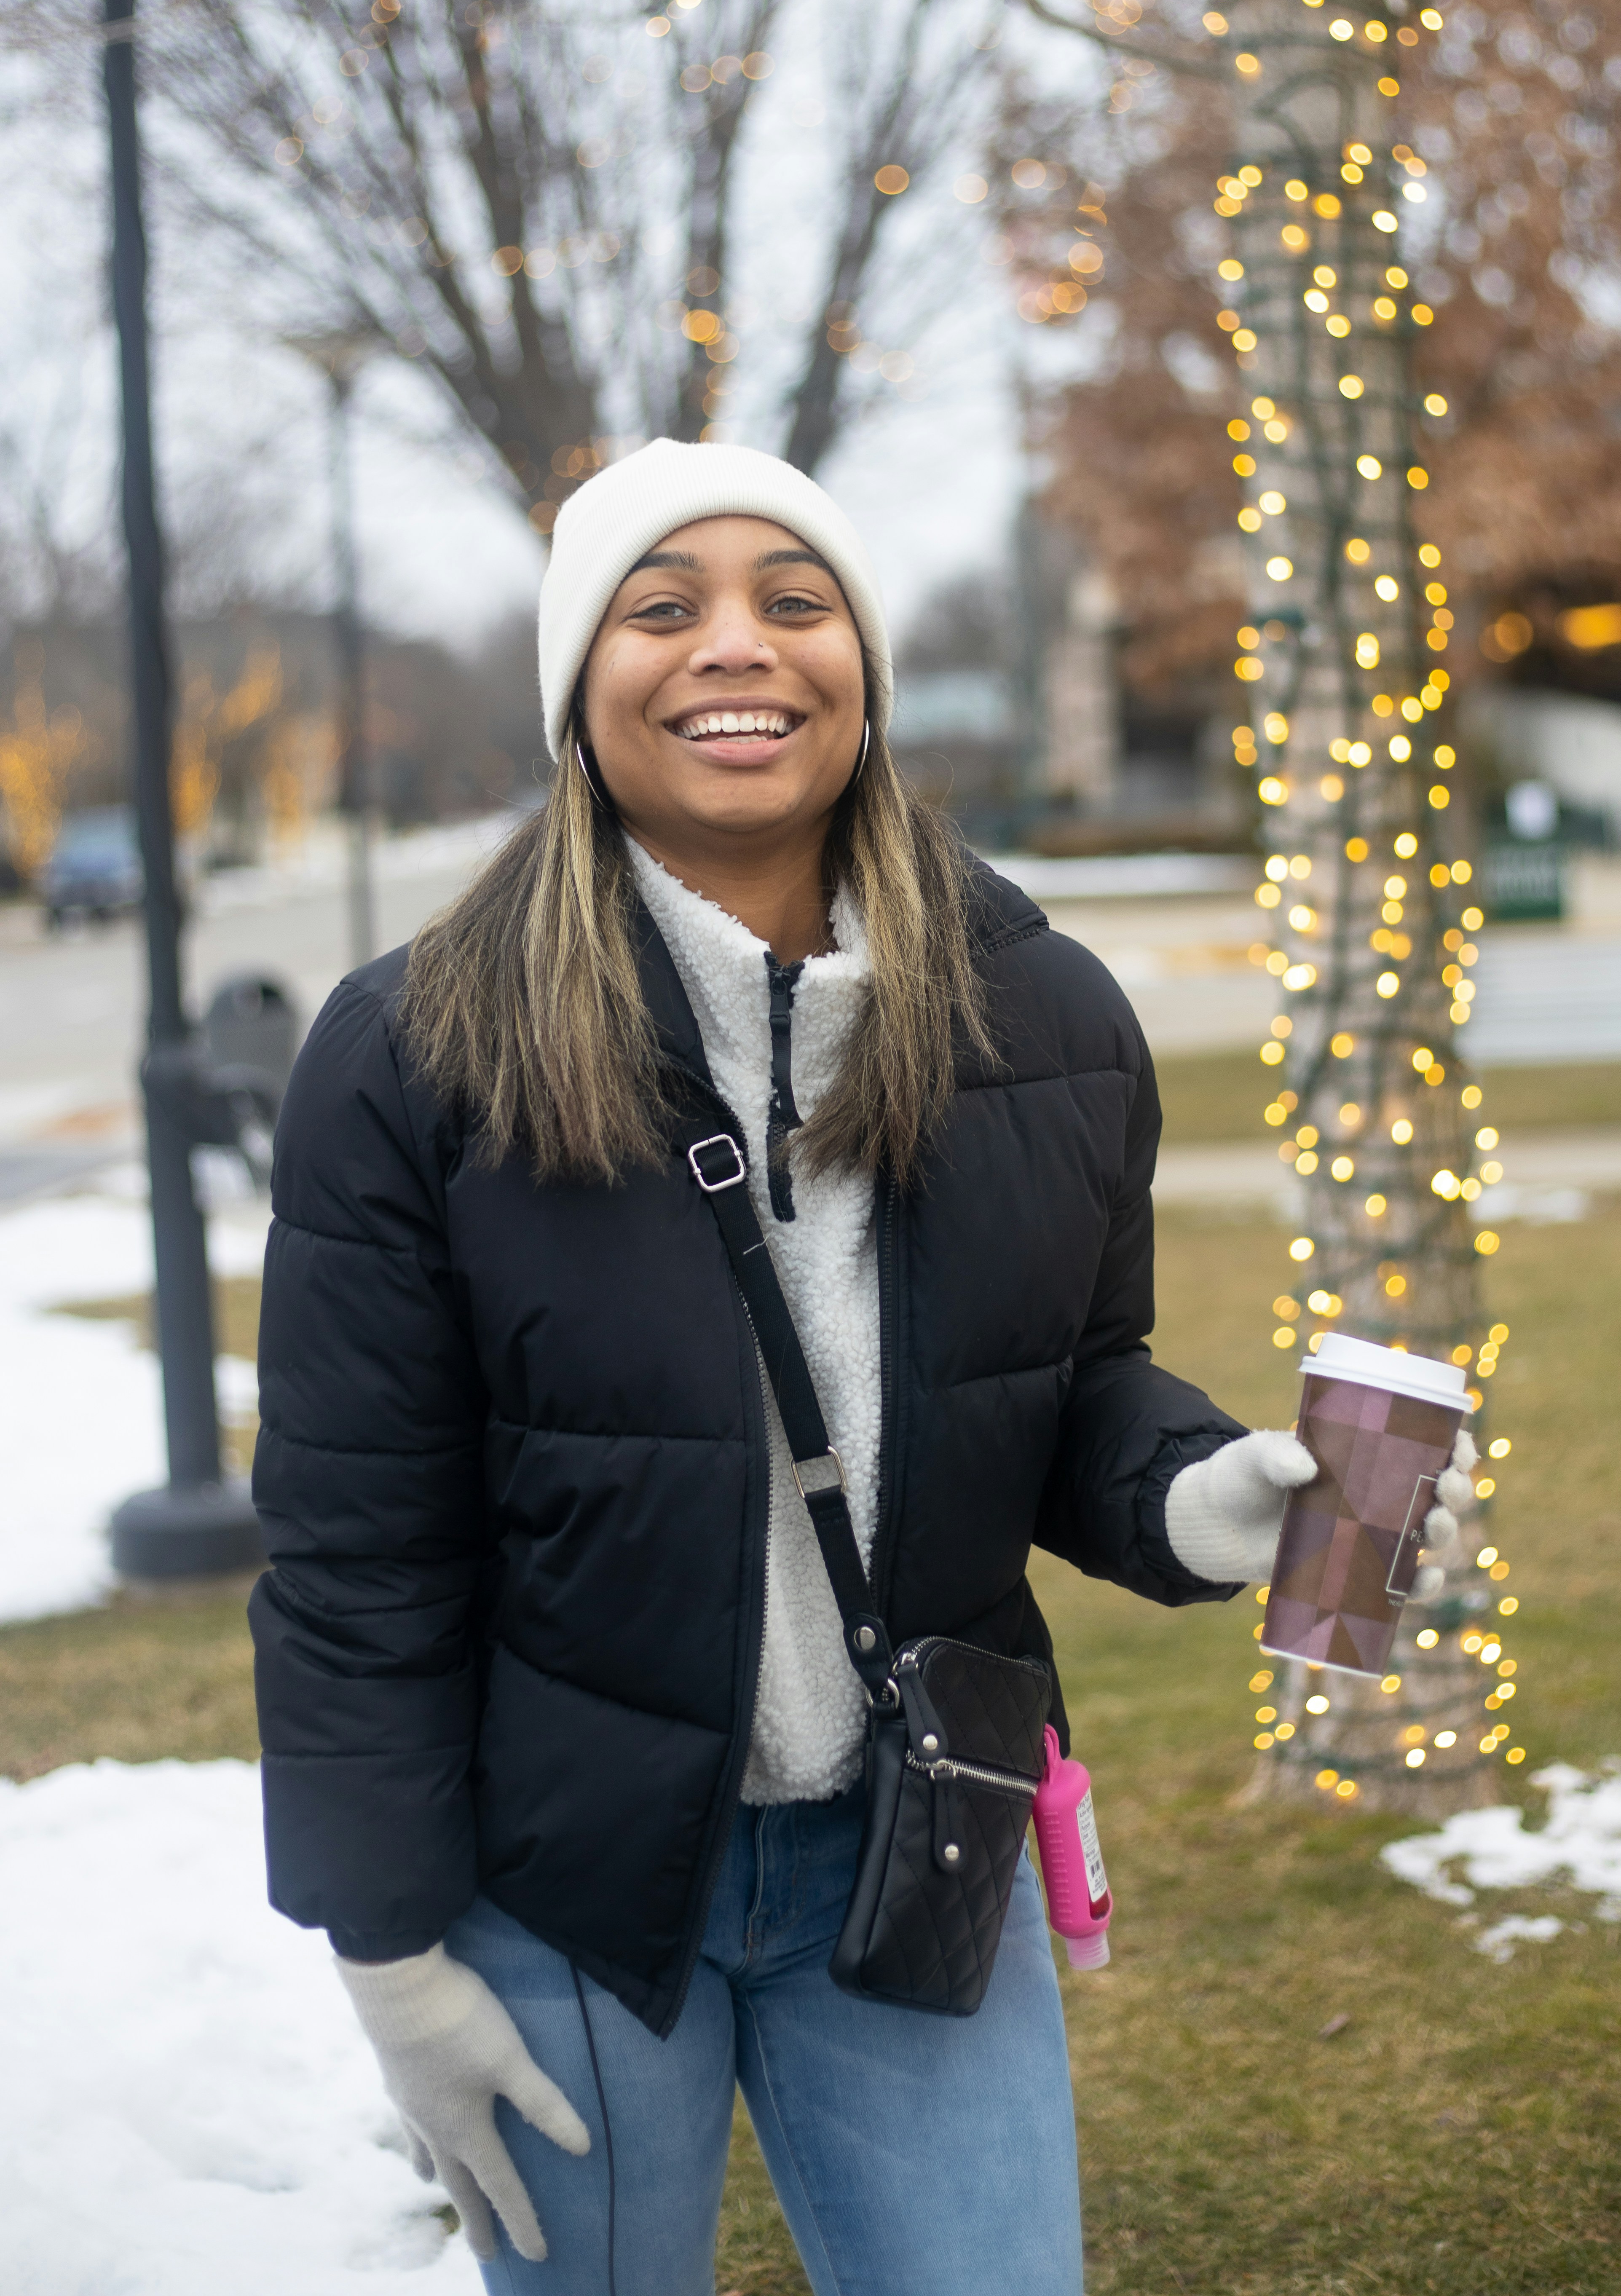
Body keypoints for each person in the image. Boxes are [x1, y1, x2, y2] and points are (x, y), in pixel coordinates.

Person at [251, 439, 1475, 2296]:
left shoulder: (1043, 1012)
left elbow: (1069, 1379)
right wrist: (389, 1951)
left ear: (865, 670)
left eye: (793, 602)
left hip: (917, 1836)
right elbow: (353, 1547)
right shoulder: (420, 1046)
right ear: (584, 686)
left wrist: (1201, 1496)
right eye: (663, 609)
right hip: (565, 1873)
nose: (735, 648)